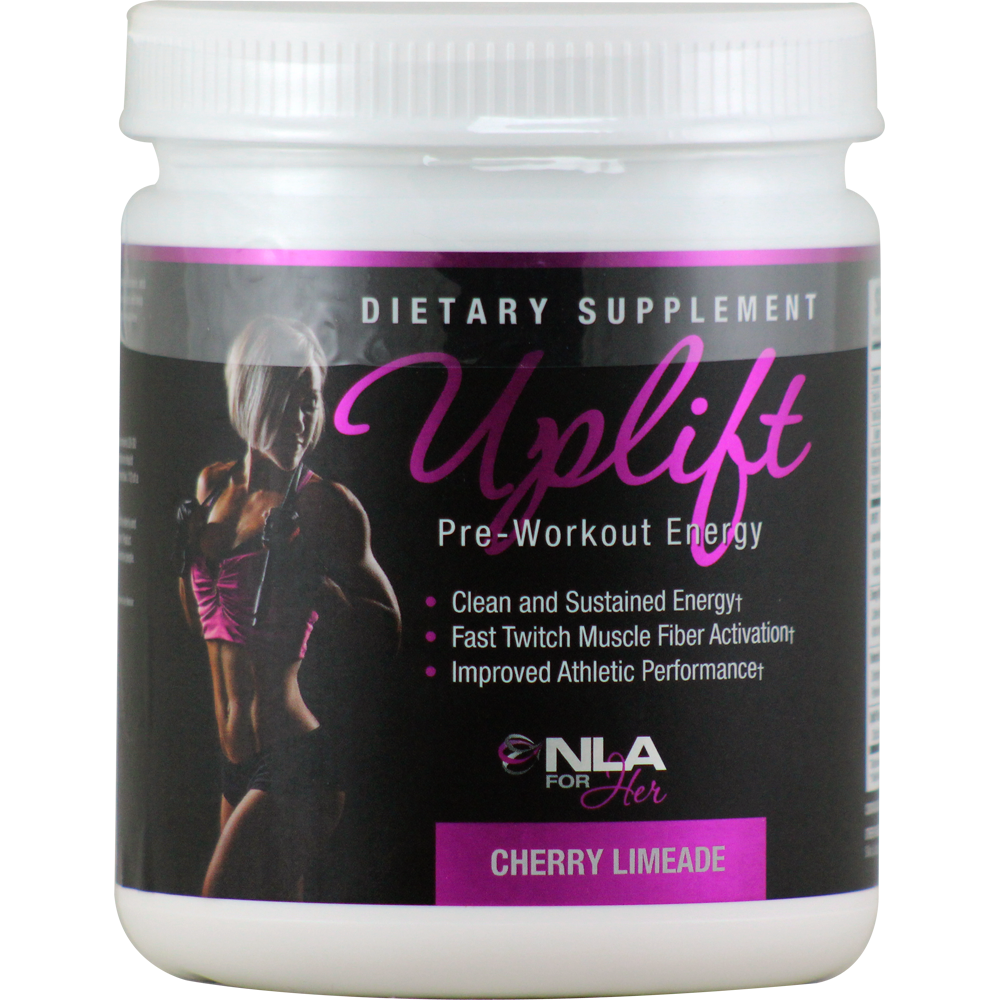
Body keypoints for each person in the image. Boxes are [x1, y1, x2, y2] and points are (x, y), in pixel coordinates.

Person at [175, 315, 400, 902]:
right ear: (252, 395)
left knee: (223, 911)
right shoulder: (212, 488)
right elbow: (203, 623)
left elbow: (388, 627)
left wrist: (319, 591)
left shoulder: (323, 504)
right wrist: (185, 555)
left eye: (311, 402)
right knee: (277, 929)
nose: (301, 421)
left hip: (299, 759)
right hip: (235, 762)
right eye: (286, 401)